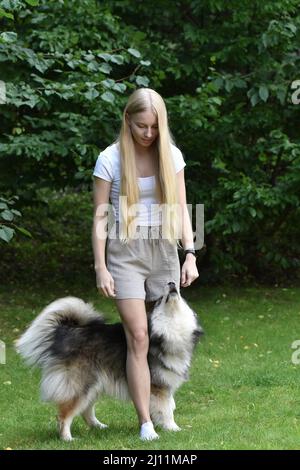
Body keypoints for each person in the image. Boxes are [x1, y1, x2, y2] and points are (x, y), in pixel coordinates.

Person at [92, 88, 199, 441]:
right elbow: (100, 217)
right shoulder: (109, 159)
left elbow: (182, 208)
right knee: (138, 336)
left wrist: (190, 253)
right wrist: (101, 266)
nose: (148, 134)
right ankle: (145, 422)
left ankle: (161, 408)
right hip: (125, 253)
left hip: (164, 251)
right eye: (141, 126)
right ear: (128, 120)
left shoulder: (171, 155)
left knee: (160, 339)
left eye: (154, 127)